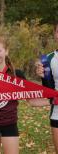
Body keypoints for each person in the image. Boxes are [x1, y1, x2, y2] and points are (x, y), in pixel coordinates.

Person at [0, 36, 50, 154]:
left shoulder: (16, 75)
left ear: (6, 51)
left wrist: (53, 100)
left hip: (9, 124)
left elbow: (32, 101)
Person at [35, 21, 58, 154]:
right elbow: (49, 93)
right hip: (57, 113)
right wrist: (43, 77)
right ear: (55, 34)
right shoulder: (48, 59)